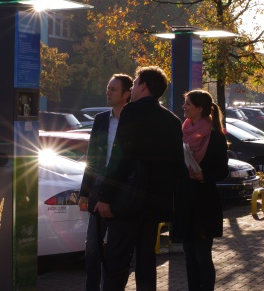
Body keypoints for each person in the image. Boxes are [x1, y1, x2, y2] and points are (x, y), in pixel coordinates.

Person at [95, 66, 186, 291]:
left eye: (135, 83)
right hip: (154, 204)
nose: (133, 87)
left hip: (127, 200)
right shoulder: (172, 120)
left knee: (116, 260)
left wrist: (105, 195)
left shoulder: (132, 112)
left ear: (143, 86)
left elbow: (120, 156)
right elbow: (177, 166)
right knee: (146, 259)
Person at [78, 74, 133, 291]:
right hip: (98, 187)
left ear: (126, 94)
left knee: (117, 249)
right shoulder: (101, 119)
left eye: (113, 89)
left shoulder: (133, 120)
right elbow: (91, 157)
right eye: (108, 88)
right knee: (92, 247)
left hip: (123, 190)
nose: (108, 92)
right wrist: (85, 191)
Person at [174, 89, 229, 291]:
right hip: (185, 202)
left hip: (204, 204)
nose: (183, 107)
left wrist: (203, 175)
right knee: (189, 255)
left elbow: (222, 170)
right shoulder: (182, 133)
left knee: (202, 255)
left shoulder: (215, 137)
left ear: (199, 108)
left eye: (187, 103)